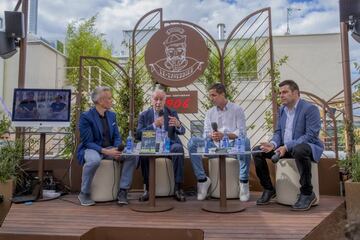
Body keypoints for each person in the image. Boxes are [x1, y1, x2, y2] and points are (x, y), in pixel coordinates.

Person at [252, 80, 324, 211]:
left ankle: (307, 193)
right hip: (283, 148)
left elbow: (311, 135)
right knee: (257, 151)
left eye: (285, 92)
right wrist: (273, 144)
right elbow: (278, 132)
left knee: (299, 149)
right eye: (280, 93)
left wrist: (287, 146)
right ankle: (268, 189)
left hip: (306, 147)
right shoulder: (282, 110)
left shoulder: (310, 109)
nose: (281, 95)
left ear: (296, 93)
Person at [188, 83, 251, 201]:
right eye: (210, 96)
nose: (211, 98)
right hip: (214, 147)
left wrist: (225, 135)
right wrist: (212, 136)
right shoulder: (209, 112)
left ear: (222, 94)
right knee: (193, 142)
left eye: (214, 95)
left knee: (245, 141)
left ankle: (244, 182)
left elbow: (242, 133)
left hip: (232, 147)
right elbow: (205, 134)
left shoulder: (237, 109)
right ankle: (202, 180)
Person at [76, 86, 137, 206]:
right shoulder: (86, 117)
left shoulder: (112, 115)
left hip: (109, 149)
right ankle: (84, 193)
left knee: (131, 155)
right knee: (94, 161)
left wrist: (117, 149)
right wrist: (106, 151)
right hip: (92, 149)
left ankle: (123, 191)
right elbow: (88, 142)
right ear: (100, 101)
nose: (111, 101)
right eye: (109, 98)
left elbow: (117, 136)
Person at [136, 87, 186, 202]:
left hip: (169, 144)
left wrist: (178, 125)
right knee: (144, 153)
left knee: (178, 148)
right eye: (156, 99)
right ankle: (148, 189)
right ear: (151, 100)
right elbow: (138, 135)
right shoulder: (144, 115)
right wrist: (154, 125)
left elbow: (182, 131)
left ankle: (178, 188)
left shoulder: (171, 112)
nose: (158, 102)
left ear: (165, 100)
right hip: (152, 145)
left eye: (161, 99)